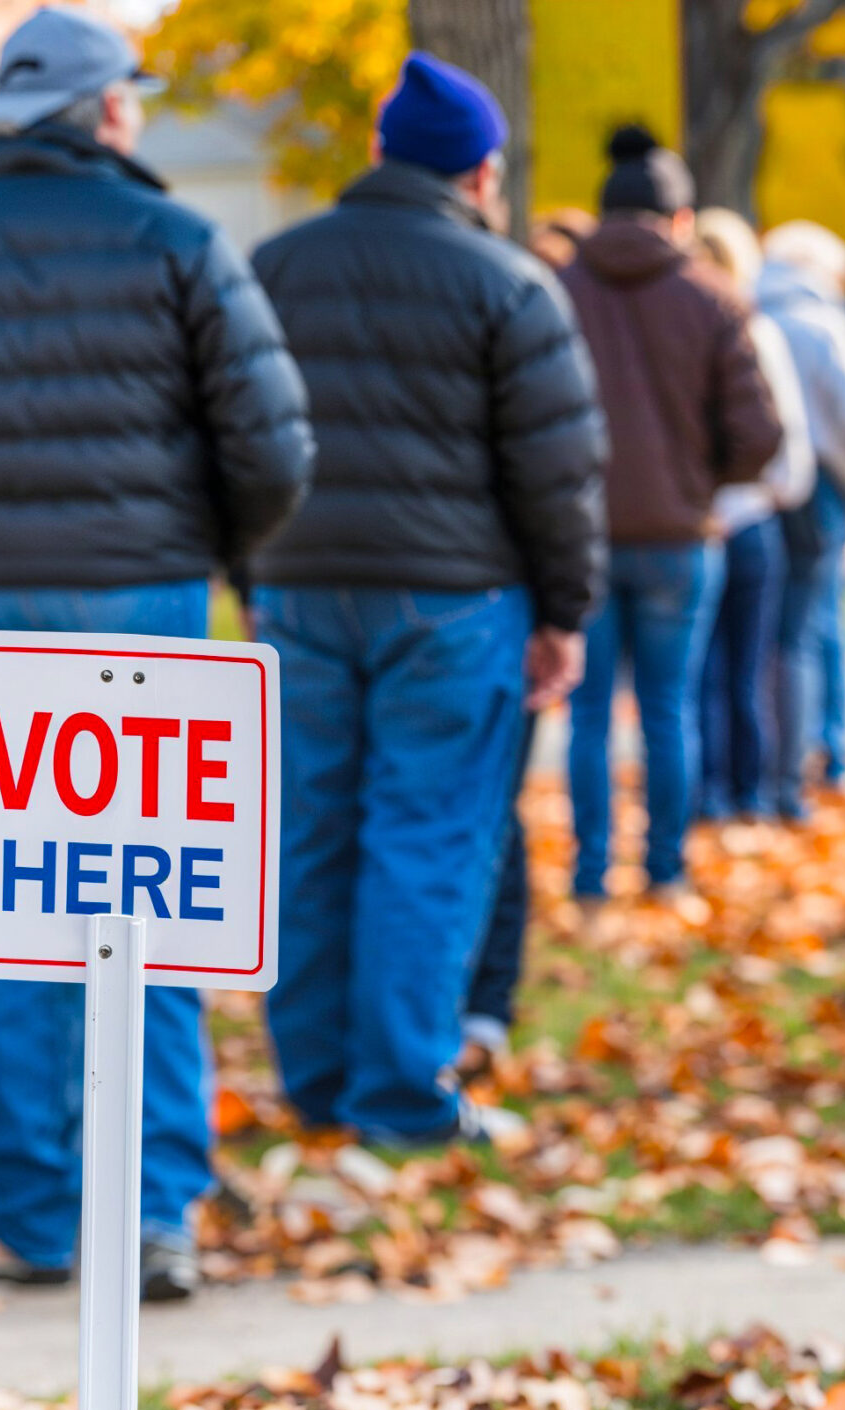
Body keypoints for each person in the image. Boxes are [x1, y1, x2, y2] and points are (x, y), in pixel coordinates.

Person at [0, 5, 314, 1298]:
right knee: (159, 907)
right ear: (108, 114)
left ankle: (34, 1205)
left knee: (15, 913)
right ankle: (155, 1206)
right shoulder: (181, 243)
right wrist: (203, 533)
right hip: (154, 609)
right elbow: (272, 450)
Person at [250, 52, 605, 1132]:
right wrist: (564, 612)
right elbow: (557, 468)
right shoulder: (508, 285)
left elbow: (233, 440)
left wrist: (250, 575)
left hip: (302, 587)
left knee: (308, 835)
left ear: (376, 152)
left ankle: (314, 1076)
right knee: (430, 837)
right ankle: (401, 1088)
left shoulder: (274, 267)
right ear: (484, 175)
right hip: (453, 601)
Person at [560, 126, 783, 897]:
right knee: (667, 706)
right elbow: (760, 434)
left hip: (581, 533)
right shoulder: (712, 298)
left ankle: (589, 874)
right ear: (681, 219)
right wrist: (704, 484)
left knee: (588, 715)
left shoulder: (558, 290)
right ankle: (666, 868)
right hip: (681, 536)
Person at [758, 221, 845, 820]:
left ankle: (777, 755)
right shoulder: (823, 324)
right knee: (819, 623)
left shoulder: (751, 311)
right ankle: (829, 751)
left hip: (761, 489)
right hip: (821, 486)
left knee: (775, 629)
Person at [692, 211, 815, 822]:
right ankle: (752, 791)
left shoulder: (673, 327)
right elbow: (786, 444)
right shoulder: (754, 331)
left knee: (702, 673)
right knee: (748, 668)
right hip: (749, 518)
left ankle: (707, 791)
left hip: (690, 518)